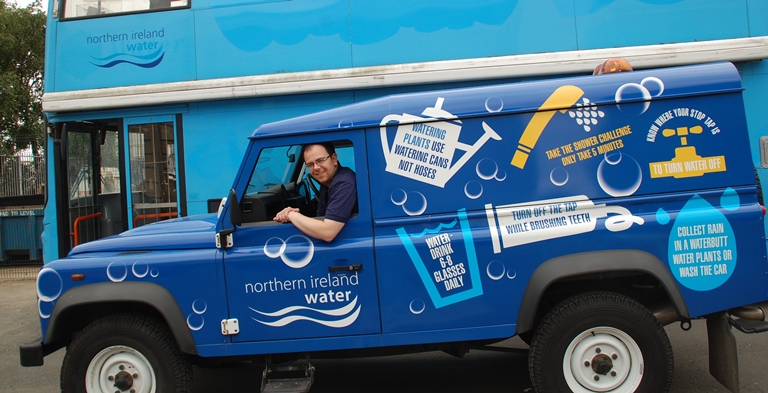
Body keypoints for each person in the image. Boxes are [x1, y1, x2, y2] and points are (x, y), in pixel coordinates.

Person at [273, 142, 358, 242]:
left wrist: (292, 215)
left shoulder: (345, 183)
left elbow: (328, 232)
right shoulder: (327, 183)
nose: (316, 167)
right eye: (310, 164)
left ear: (334, 159)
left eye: (320, 160)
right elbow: (320, 217)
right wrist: (299, 214)